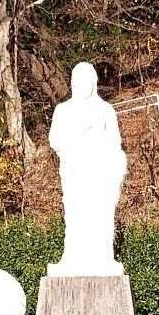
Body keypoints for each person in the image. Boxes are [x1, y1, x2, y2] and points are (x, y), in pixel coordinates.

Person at [48, 62, 125, 276]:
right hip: (74, 171)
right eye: (76, 81)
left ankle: (103, 256)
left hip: (99, 172)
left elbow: (115, 141)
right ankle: (72, 257)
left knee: (100, 214)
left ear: (94, 83)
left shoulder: (105, 110)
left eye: (85, 81)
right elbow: (55, 140)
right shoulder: (63, 110)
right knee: (75, 214)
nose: (80, 85)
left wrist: (96, 138)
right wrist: (79, 136)